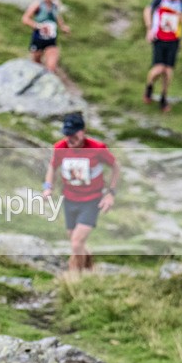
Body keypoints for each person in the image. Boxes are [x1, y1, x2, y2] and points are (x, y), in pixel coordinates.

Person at [42, 112, 120, 273]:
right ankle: (90, 267)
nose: (69, 139)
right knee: (75, 240)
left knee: (76, 243)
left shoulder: (97, 148)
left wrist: (110, 193)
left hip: (91, 200)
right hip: (69, 199)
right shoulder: (60, 148)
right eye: (67, 134)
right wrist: (48, 186)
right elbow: (52, 167)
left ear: (83, 131)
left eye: (73, 135)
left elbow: (115, 166)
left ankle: (74, 278)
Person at [143, 0, 182, 112]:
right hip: (159, 38)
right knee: (159, 69)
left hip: (174, 39)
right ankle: (149, 87)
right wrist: (149, 29)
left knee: (168, 71)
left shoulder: (181, 1)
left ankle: (163, 97)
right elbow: (148, 10)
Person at [21, 0, 71, 73]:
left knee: (51, 67)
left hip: (51, 39)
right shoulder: (37, 4)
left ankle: (49, 76)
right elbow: (25, 19)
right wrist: (38, 26)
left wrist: (63, 27)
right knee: (36, 64)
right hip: (38, 37)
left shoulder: (55, 4)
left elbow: (57, 16)